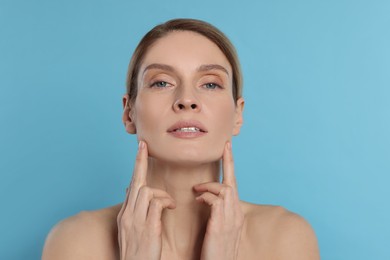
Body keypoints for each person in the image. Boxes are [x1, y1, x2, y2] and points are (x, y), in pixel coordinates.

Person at [42, 18, 319, 260]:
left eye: (210, 83)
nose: (187, 100)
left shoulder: (286, 238)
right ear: (129, 113)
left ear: (237, 114)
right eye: (162, 82)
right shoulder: (75, 242)